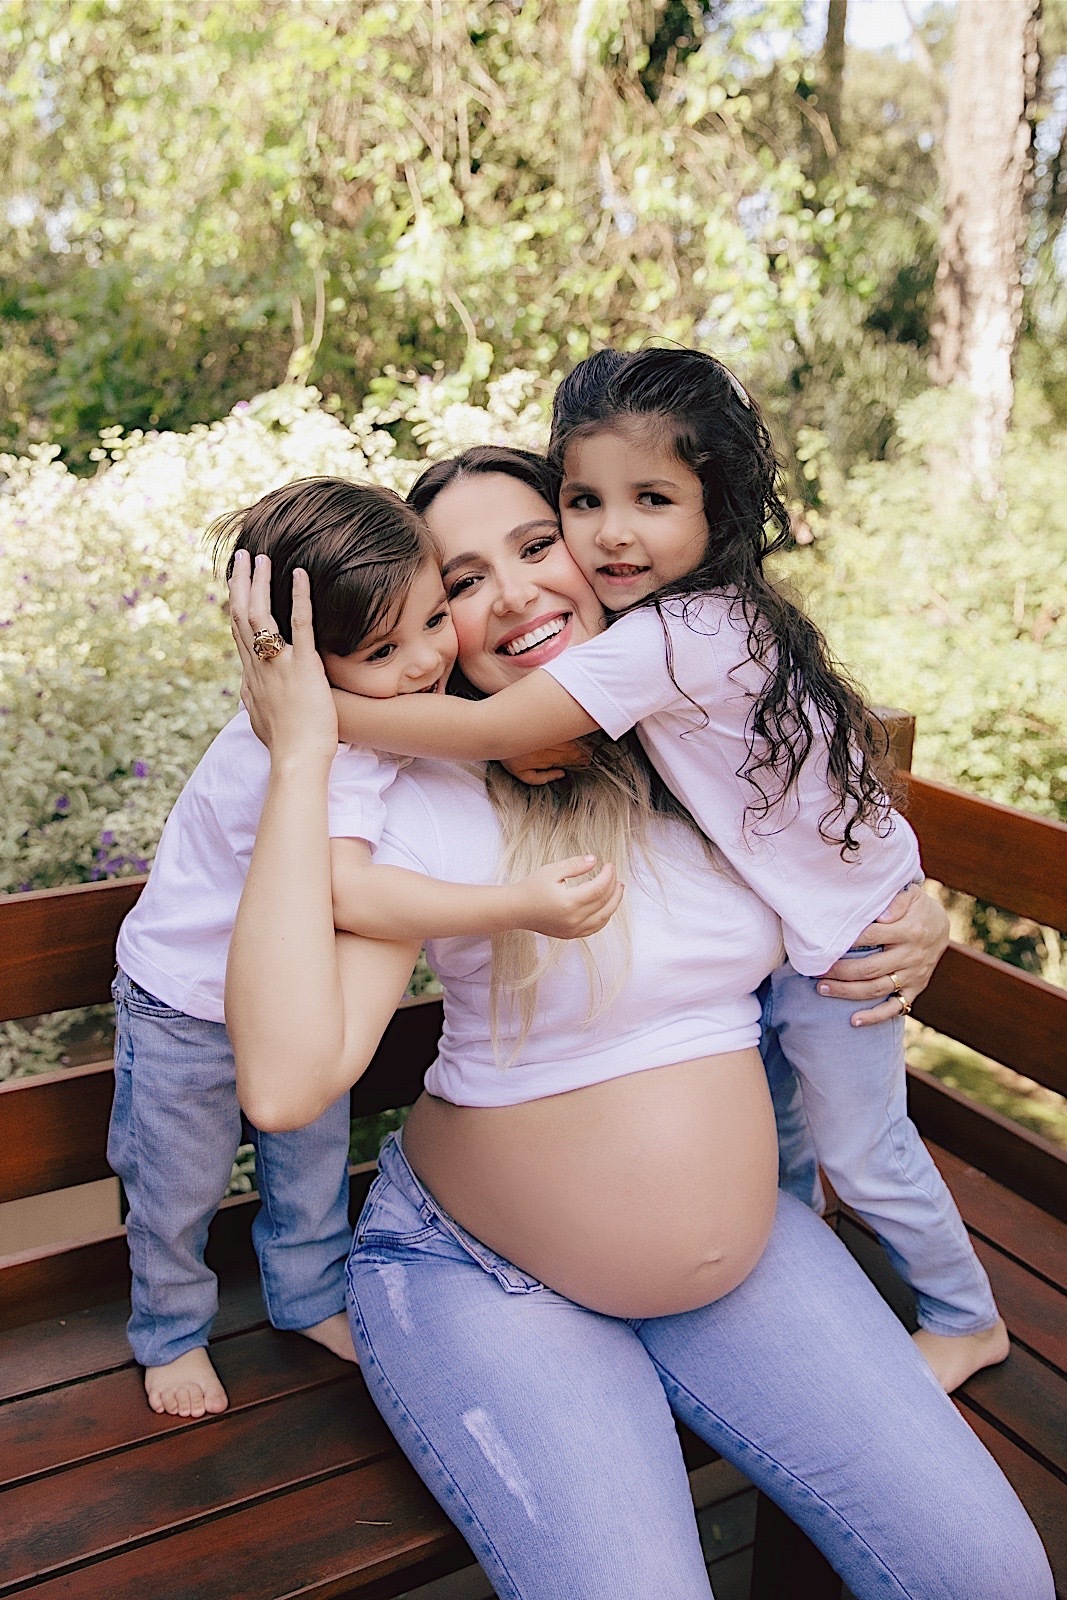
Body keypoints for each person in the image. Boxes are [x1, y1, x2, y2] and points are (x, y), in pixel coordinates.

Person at [223, 454, 1052, 1600]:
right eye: (460, 582)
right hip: (486, 1279)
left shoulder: (705, 743)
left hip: (744, 1261)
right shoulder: (414, 791)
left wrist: (922, 912)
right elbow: (280, 1083)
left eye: (532, 544)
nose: (512, 595)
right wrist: (306, 749)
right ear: (427, 629)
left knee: (990, 1580)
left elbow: (843, 848)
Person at [323, 354, 1006, 1393]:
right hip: (507, 1275)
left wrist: (923, 911)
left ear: (711, 508)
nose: (610, 535)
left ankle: (961, 1314)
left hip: (834, 976)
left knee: (859, 1147)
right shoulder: (656, 664)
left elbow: (822, 806)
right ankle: (817, 1229)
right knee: (801, 1119)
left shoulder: (673, 647)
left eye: (644, 502)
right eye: (585, 503)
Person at [110, 476, 620, 1420]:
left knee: (307, 1168)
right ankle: (170, 1331)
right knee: (172, 1186)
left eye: (434, 618)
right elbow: (346, 889)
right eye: (384, 651)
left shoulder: (364, 719)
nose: (428, 660)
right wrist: (514, 902)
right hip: (182, 1002)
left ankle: (304, 1299)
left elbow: (443, 733)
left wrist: (500, 748)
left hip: (297, 1008)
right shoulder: (315, 747)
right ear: (303, 662)